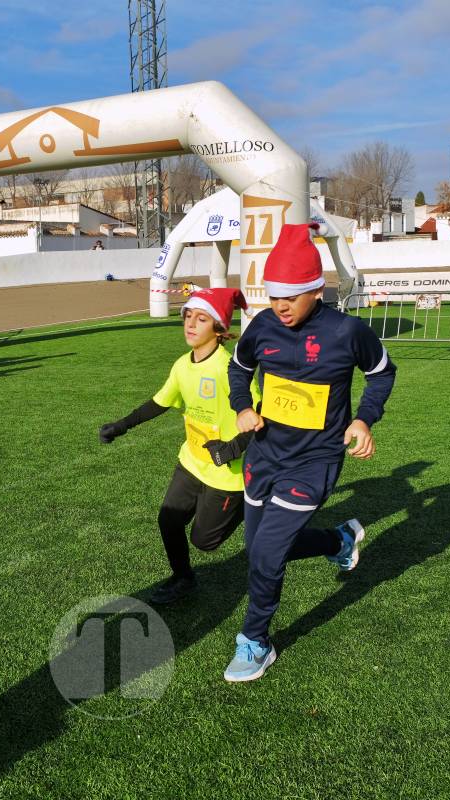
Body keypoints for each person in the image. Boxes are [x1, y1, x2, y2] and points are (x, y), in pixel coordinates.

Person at [222, 223, 397, 682]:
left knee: (265, 556)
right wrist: (242, 408)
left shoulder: (347, 331)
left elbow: (381, 373)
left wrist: (363, 419)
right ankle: (339, 540)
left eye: (291, 296)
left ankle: (256, 641)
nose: (280, 306)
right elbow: (238, 370)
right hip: (263, 455)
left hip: (315, 461)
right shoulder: (262, 326)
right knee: (260, 548)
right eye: (274, 294)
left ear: (316, 290)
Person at [99, 288, 257, 604]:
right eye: (188, 317)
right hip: (191, 462)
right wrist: (122, 426)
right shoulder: (182, 365)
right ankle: (183, 578)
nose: (190, 324)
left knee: (204, 541)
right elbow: (160, 402)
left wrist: (231, 449)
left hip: (227, 474)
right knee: (168, 519)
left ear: (219, 328)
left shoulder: (231, 369)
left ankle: (249, 504)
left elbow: (259, 417)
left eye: (201, 319)